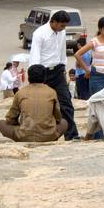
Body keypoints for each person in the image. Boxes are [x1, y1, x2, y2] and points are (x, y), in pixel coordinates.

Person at [28, 10, 79, 140]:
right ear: (54, 22)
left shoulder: (61, 32)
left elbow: (62, 51)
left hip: (57, 71)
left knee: (66, 103)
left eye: (65, 26)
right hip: (42, 73)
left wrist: (63, 67)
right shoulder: (39, 33)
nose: (63, 28)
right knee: (42, 105)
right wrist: (35, 77)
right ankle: (41, 134)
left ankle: (71, 135)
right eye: (62, 25)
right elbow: (35, 55)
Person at [0, 64, 68, 142]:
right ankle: (51, 137)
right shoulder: (51, 92)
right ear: (45, 77)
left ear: (29, 77)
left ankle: (22, 136)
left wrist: (20, 124)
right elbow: (58, 117)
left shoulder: (20, 93)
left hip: (24, 136)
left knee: (1, 124)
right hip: (48, 135)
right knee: (64, 122)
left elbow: (10, 118)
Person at [75, 16, 104, 100]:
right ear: (100, 29)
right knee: (97, 102)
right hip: (97, 77)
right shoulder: (94, 41)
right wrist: (87, 70)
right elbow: (77, 54)